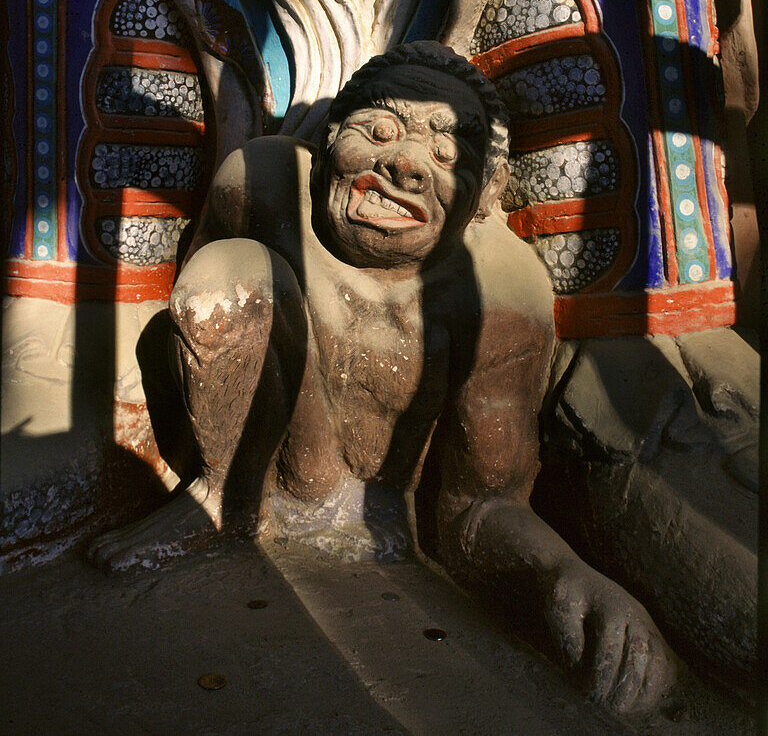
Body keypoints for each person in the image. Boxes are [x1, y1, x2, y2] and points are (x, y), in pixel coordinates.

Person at [91, 42, 675, 713]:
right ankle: (222, 501)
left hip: (388, 526)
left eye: (447, 157)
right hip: (257, 480)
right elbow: (187, 346)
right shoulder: (261, 184)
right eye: (379, 132)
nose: (404, 165)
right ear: (332, 137)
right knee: (226, 278)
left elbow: (481, 502)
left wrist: (564, 573)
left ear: (484, 195)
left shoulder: (500, 293)